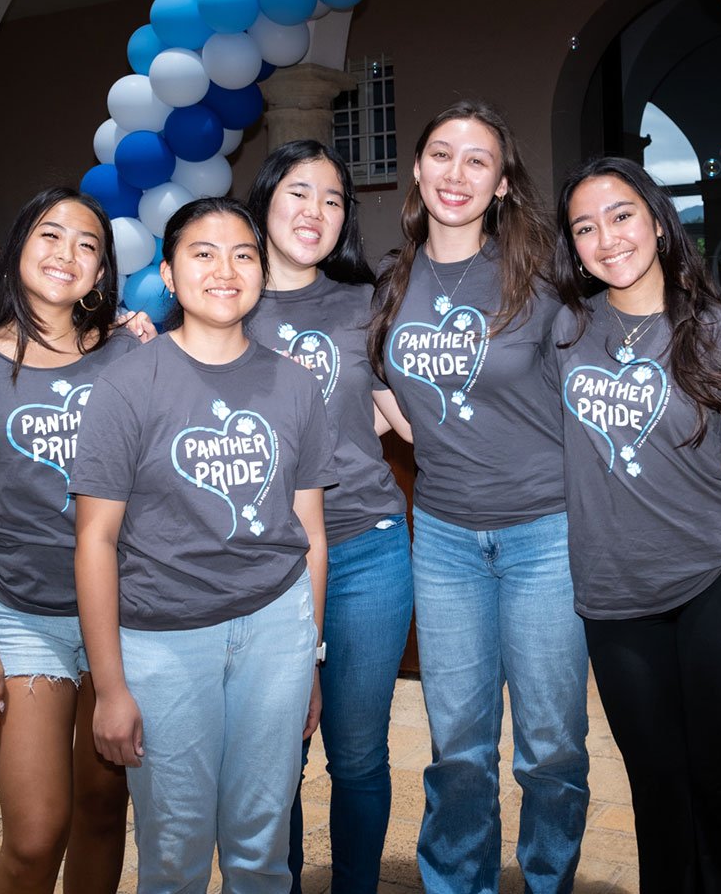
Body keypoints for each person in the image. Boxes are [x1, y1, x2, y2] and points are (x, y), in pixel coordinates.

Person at [70, 196, 335, 894]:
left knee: (261, 849)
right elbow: (94, 541)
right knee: (175, 855)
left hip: (277, 630)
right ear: (168, 272)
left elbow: (310, 532)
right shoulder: (126, 385)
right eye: (203, 253)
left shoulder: (297, 383)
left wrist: (309, 657)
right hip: (163, 641)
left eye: (243, 254)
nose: (226, 269)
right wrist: (111, 686)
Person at [552, 157, 721, 893]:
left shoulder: (717, 331)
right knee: (656, 784)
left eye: (621, 215)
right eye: (585, 226)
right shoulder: (565, 331)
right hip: (613, 592)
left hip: (712, 579)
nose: (606, 237)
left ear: (657, 221)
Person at [367, 100, 588, 894]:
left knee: (550, 744)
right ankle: (457, 884)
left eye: (477, 160)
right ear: (418, 171)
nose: (455, 173)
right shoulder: (395, 280)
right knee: (457, 745)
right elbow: (375, 382)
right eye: (441, 154)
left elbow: (590, 389)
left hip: (543, 535)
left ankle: (547, 880)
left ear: (500, 183)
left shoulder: (540, 275)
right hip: (447, 538)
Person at [0, 186, 134, 894]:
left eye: (87, 243)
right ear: (18, 250)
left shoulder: (130, 354)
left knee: (104, 812)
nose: (67, 253)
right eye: (50, 235)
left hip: (126, 616)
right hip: (22, 614)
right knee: (38, 833)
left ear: (101, 273)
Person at [242, 141, 412, 893]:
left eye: (333, 198)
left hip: (367, 552)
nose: (316, 212)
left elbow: (403, 416)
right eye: (299, 193)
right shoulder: (224, 298)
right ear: (267, 199)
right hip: (262, 561)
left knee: (359, 753)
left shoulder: (364, 301)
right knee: (273, 750)